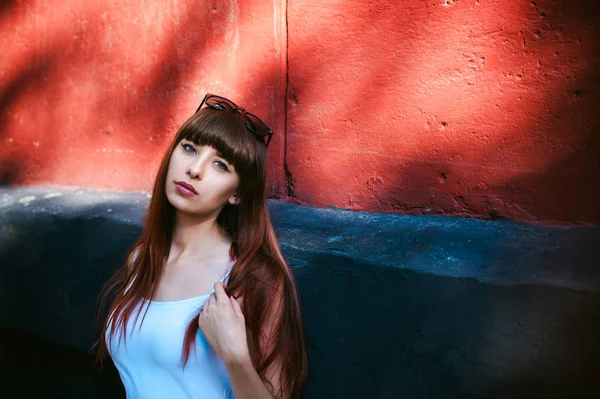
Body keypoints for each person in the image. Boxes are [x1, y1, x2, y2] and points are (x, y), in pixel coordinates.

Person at [95, 93, 308, 399]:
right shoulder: (142, 259)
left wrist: (235, 357)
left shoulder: (251, 279)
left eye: (221, 165)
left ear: (237, 194)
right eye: (190, 148)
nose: (195, 169)